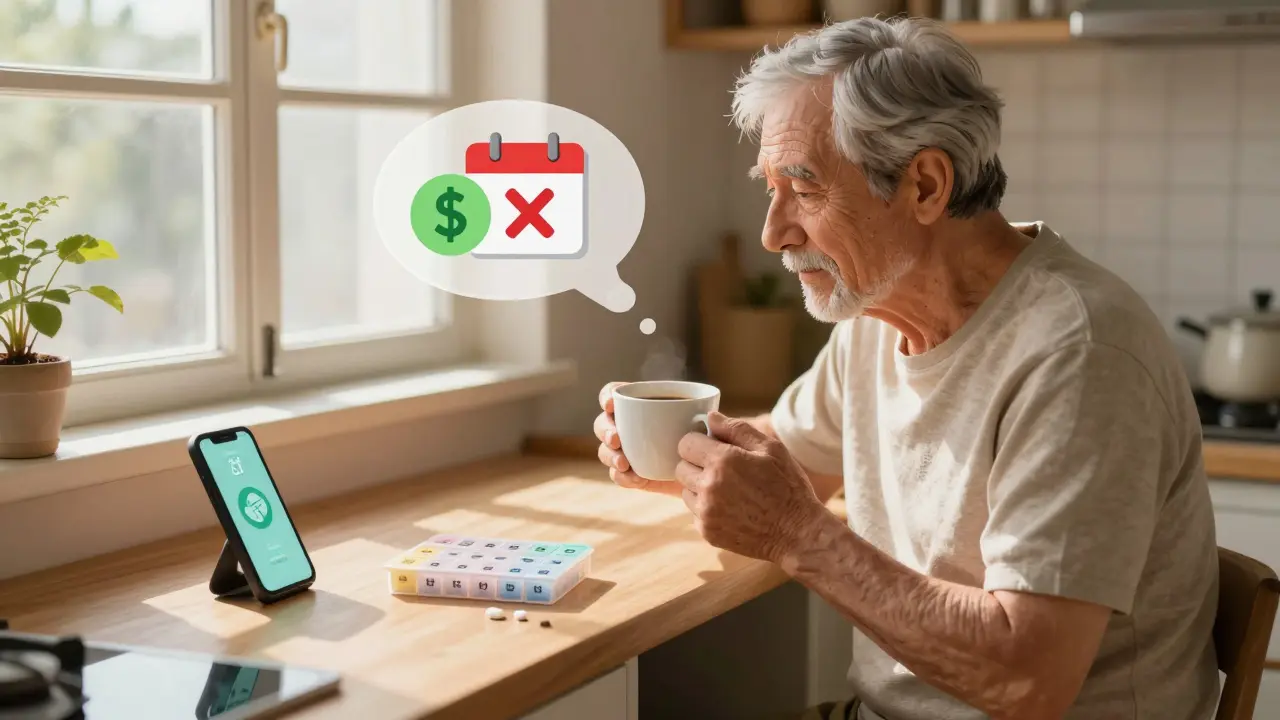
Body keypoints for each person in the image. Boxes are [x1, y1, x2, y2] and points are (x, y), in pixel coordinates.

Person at [593, 16, 1220, 720]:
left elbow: (1028, 680)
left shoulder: (1078, 353)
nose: (774, 232)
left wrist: (798, 535)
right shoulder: (877, 315)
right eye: (769, 189)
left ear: (924, 185)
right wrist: (671, 448)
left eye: (802, 189)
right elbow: (792, 464)